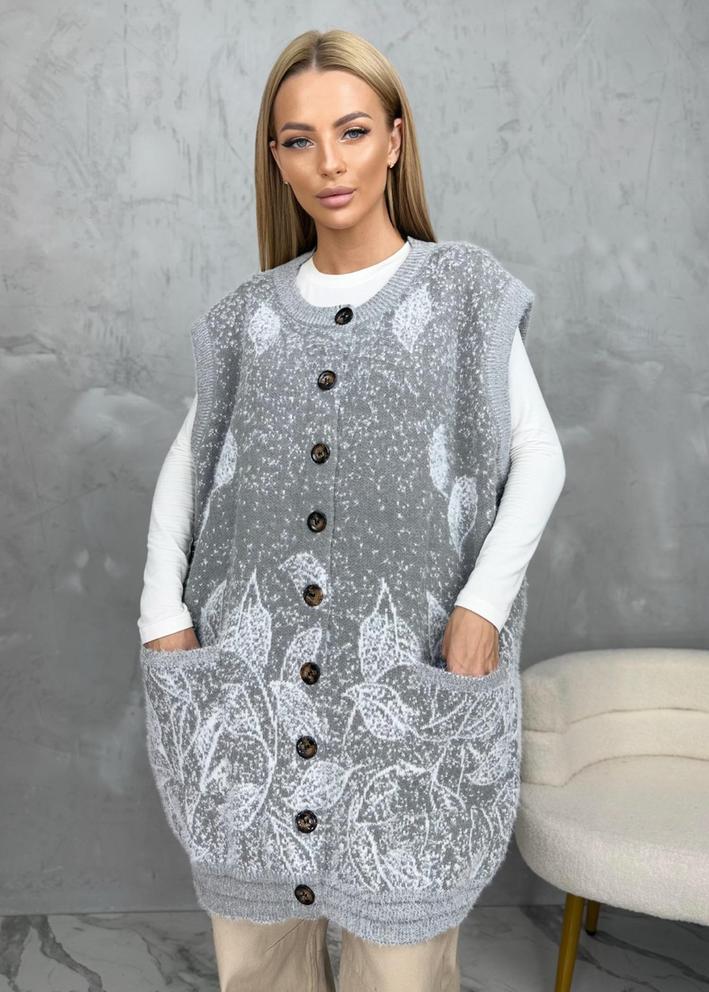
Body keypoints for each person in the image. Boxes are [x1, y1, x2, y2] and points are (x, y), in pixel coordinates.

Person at [137, 28, 565, 992]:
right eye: (299, 140)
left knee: (400, 965)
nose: (329, 162)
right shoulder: (246, 318)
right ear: (277, 160)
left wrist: (481, 606)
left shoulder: (463, 292)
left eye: (353, 131)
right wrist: (160, 614)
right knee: (259, 965)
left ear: (395, 140)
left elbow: (539, 457)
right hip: (247, 681)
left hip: (408, 674)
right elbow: (190, 463)